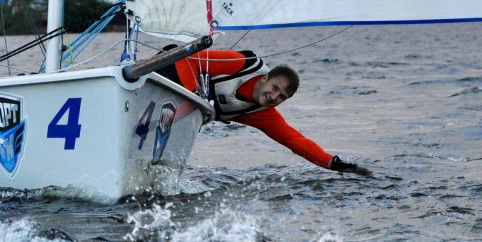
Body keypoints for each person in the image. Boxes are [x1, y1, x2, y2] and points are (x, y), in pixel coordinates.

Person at [158, 48, 372, 175]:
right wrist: (196, 96)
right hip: (162, 73)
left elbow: (295, 141)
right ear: (264, 78)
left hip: (173, 109)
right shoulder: (242, 64)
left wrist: (335, 164)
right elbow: (186, 58)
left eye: (282, 98)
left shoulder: (262, 112)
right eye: (275, 88)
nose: (274, 97)